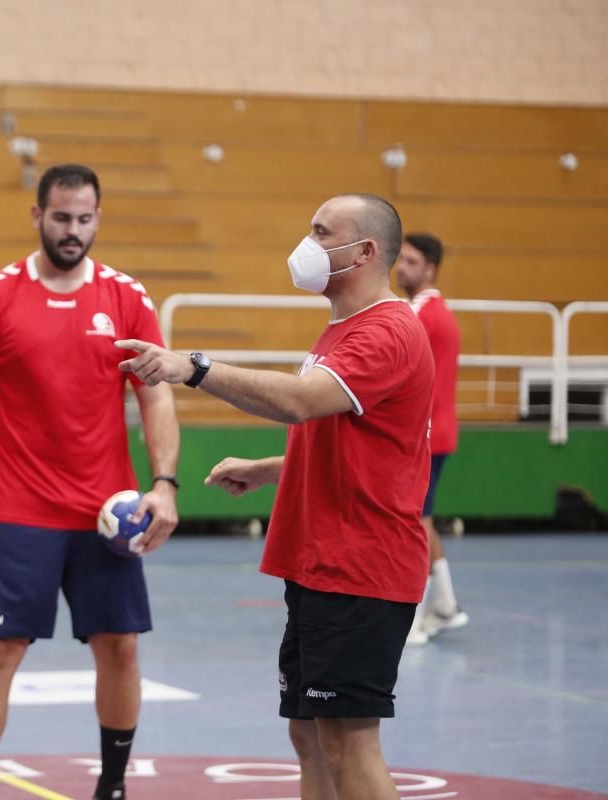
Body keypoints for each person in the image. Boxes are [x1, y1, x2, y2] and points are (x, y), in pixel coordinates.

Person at [118, 194, 431, 800]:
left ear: (364, 251)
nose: (307, 244)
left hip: (361, 567)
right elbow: (361, 445)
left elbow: (300, 401)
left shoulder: (387, 330)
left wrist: (195, 368)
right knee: (309, 733)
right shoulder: (343, 328)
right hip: (320, 564)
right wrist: (269, 469)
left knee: (348, 739)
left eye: (322, 232)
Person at [0, 164, 180, 800]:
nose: (73, 231)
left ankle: (113, 787)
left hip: (109, 513)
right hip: (19, 511)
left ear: (98, 217)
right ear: (37, 216)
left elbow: (157, 399)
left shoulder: (126, 298)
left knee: (119, 648)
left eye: (85, 218)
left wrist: (165, 483)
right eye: (62, 217)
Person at [395, 233, 468, 646]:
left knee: (416, 524)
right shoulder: (436, 312)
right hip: (437, 432)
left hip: (425, 435)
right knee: (425, 518)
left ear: (430, 269)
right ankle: (445, 605)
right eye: (400, 259)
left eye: (410, 261)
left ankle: (418, 618)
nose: (401, 267)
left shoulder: (420, 313)